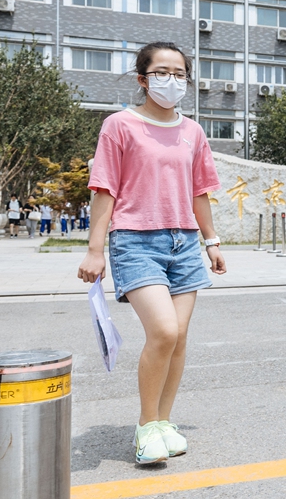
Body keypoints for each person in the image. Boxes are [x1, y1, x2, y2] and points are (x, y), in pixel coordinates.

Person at [77, 41, 226, 465]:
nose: (172, 80)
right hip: (136, 240)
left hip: (183, 243)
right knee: (162, 331)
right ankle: (145, 428)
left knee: (178, 339)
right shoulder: (120, 125)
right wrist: (94, 251)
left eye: (180, 73)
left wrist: (211, 241)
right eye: (162, 72)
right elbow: (104, 188)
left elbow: (200, 192)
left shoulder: (193, 131)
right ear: (143, 79)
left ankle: (163, 422)